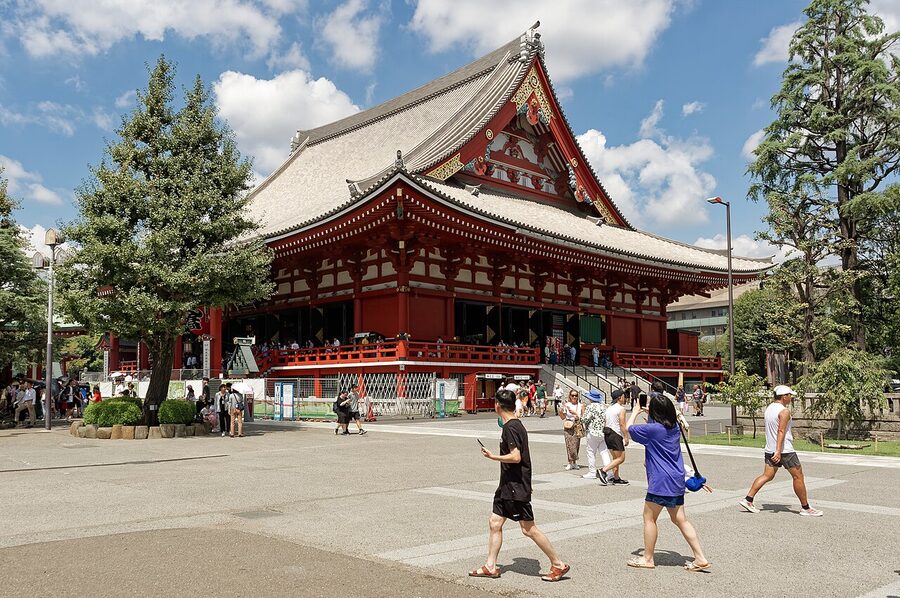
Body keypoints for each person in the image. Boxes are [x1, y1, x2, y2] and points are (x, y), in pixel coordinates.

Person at [469, 389, 570, 582]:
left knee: (528, 529)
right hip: (507, 485)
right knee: (495, 522)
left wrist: (493, 456)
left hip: (515, 486)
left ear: (497, 406)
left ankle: (558, 564)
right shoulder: (514, 425)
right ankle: (490, 566)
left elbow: (516, 457)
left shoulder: (511, 428)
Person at [624, 394, 712, 571]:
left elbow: (628, 429)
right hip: (676, 479)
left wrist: (635, 411)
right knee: (680, 519)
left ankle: (648, 558)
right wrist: (651, 413)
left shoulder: (653, 430)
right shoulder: (675, 427)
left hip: (660, 480)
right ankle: (700, 557)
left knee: (649, 518)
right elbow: (658, 425)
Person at [738, 385, 823, 517]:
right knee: (798, 476)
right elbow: (781, 431)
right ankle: (805, 507)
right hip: (784, 450)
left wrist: (774, 450)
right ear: (784, 397)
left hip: (770, 448)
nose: (791, 398)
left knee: (767, 475)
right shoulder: (784, 411)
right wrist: (778, 451)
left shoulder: (769, 408)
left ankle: (748, 499)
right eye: (790, 395)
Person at [598, 388, 629, 485]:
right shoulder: (621, 409)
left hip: (607, 433)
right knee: (621, 458)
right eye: (624, 396)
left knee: (615, 458)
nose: (625, 398)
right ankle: (603, 470)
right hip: (615, 434)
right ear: (619, 398)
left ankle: (616, 477)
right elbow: (622, 424)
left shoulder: (609, 408)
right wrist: (626, 436)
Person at [581, 389, 610, 482]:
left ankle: (592, 472)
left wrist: (582, 413)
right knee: (604, 452)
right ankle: (609, 471)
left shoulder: (590, 407)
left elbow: (585, 419)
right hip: (602, 432)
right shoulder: (603, 407)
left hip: (592, 432)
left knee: (591, 452)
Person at [559, 389, 584, 470]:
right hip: (568, 426)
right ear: (570, 396)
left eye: (576, 395)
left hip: (577, 426)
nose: (574, 397)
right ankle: (570, 462)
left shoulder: (581, 405)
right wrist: (560, 411)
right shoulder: (567, 405)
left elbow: (583, 418)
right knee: (569, 444)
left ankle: (574, 462)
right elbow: (562, 417)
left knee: (576, 445)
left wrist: (575, 414)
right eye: (572, 395)